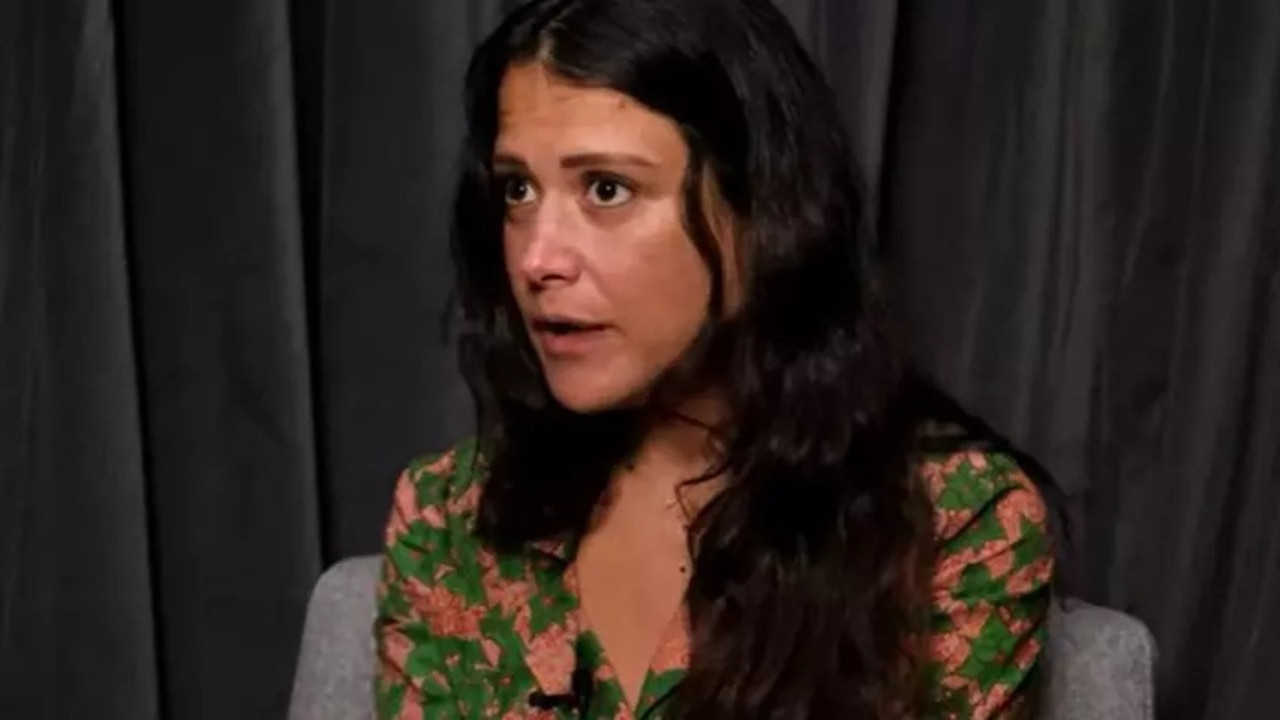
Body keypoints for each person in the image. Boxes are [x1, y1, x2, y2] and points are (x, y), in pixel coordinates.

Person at [374, 0, 1055, 717]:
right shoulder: (448, 518)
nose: (536, 259)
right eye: (517, 189)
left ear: (762, 211)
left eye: (606, 189)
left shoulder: (956, 524)